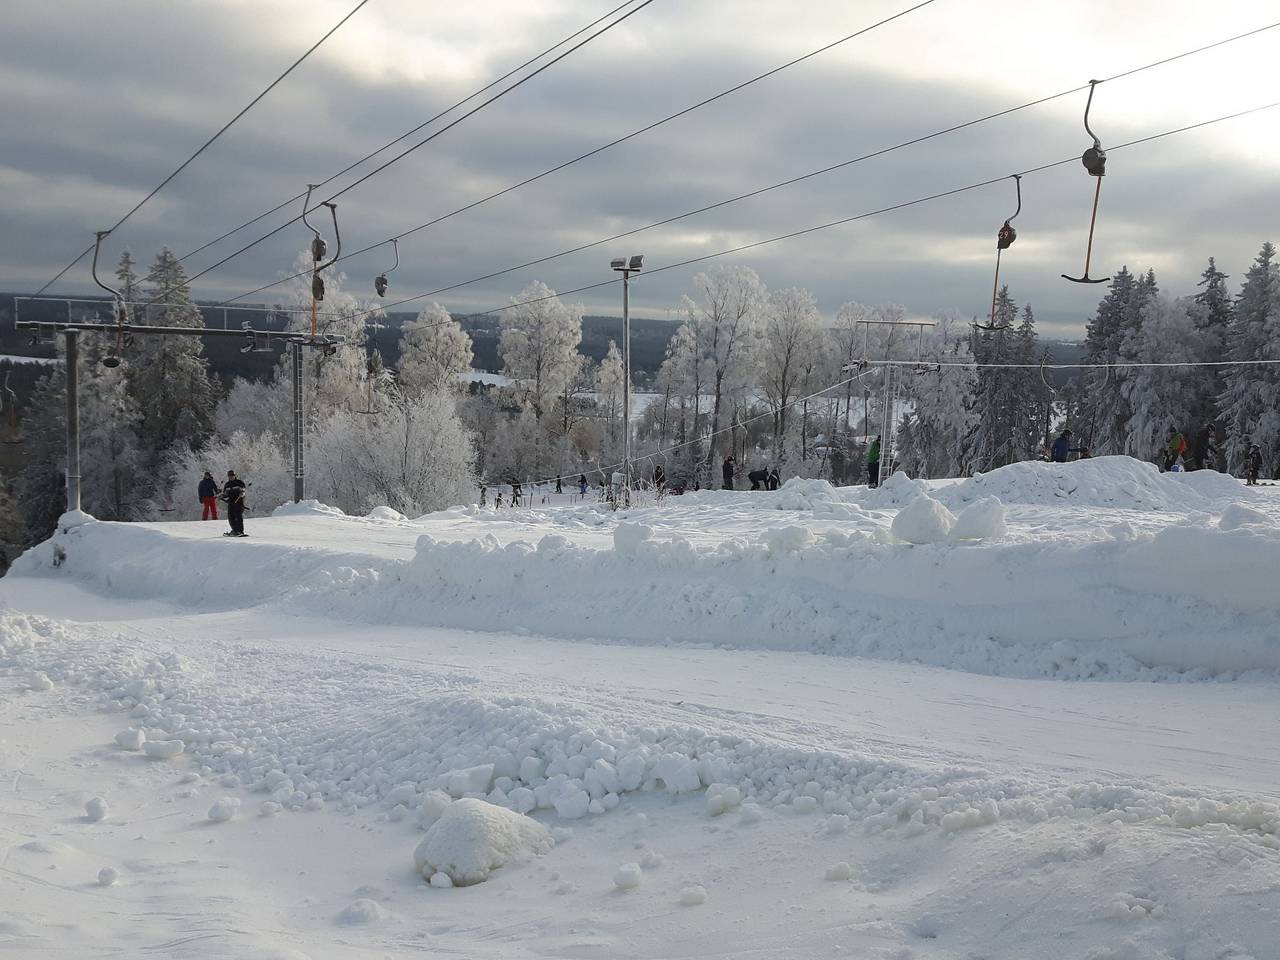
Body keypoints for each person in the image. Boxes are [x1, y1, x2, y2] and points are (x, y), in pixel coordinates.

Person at [219, 470, 247, 537]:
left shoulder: (239, 483)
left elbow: (243, 491)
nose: (231, 477)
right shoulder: (227, 484)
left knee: (238, 516)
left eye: (232, 476)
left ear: (235, 476)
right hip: (231, 502)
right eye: (230, 476)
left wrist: (242, 493)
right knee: (230, 517)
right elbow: (226, 494)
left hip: (239, 502)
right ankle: (234, 530)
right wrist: (222, 496)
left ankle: (240, 531)